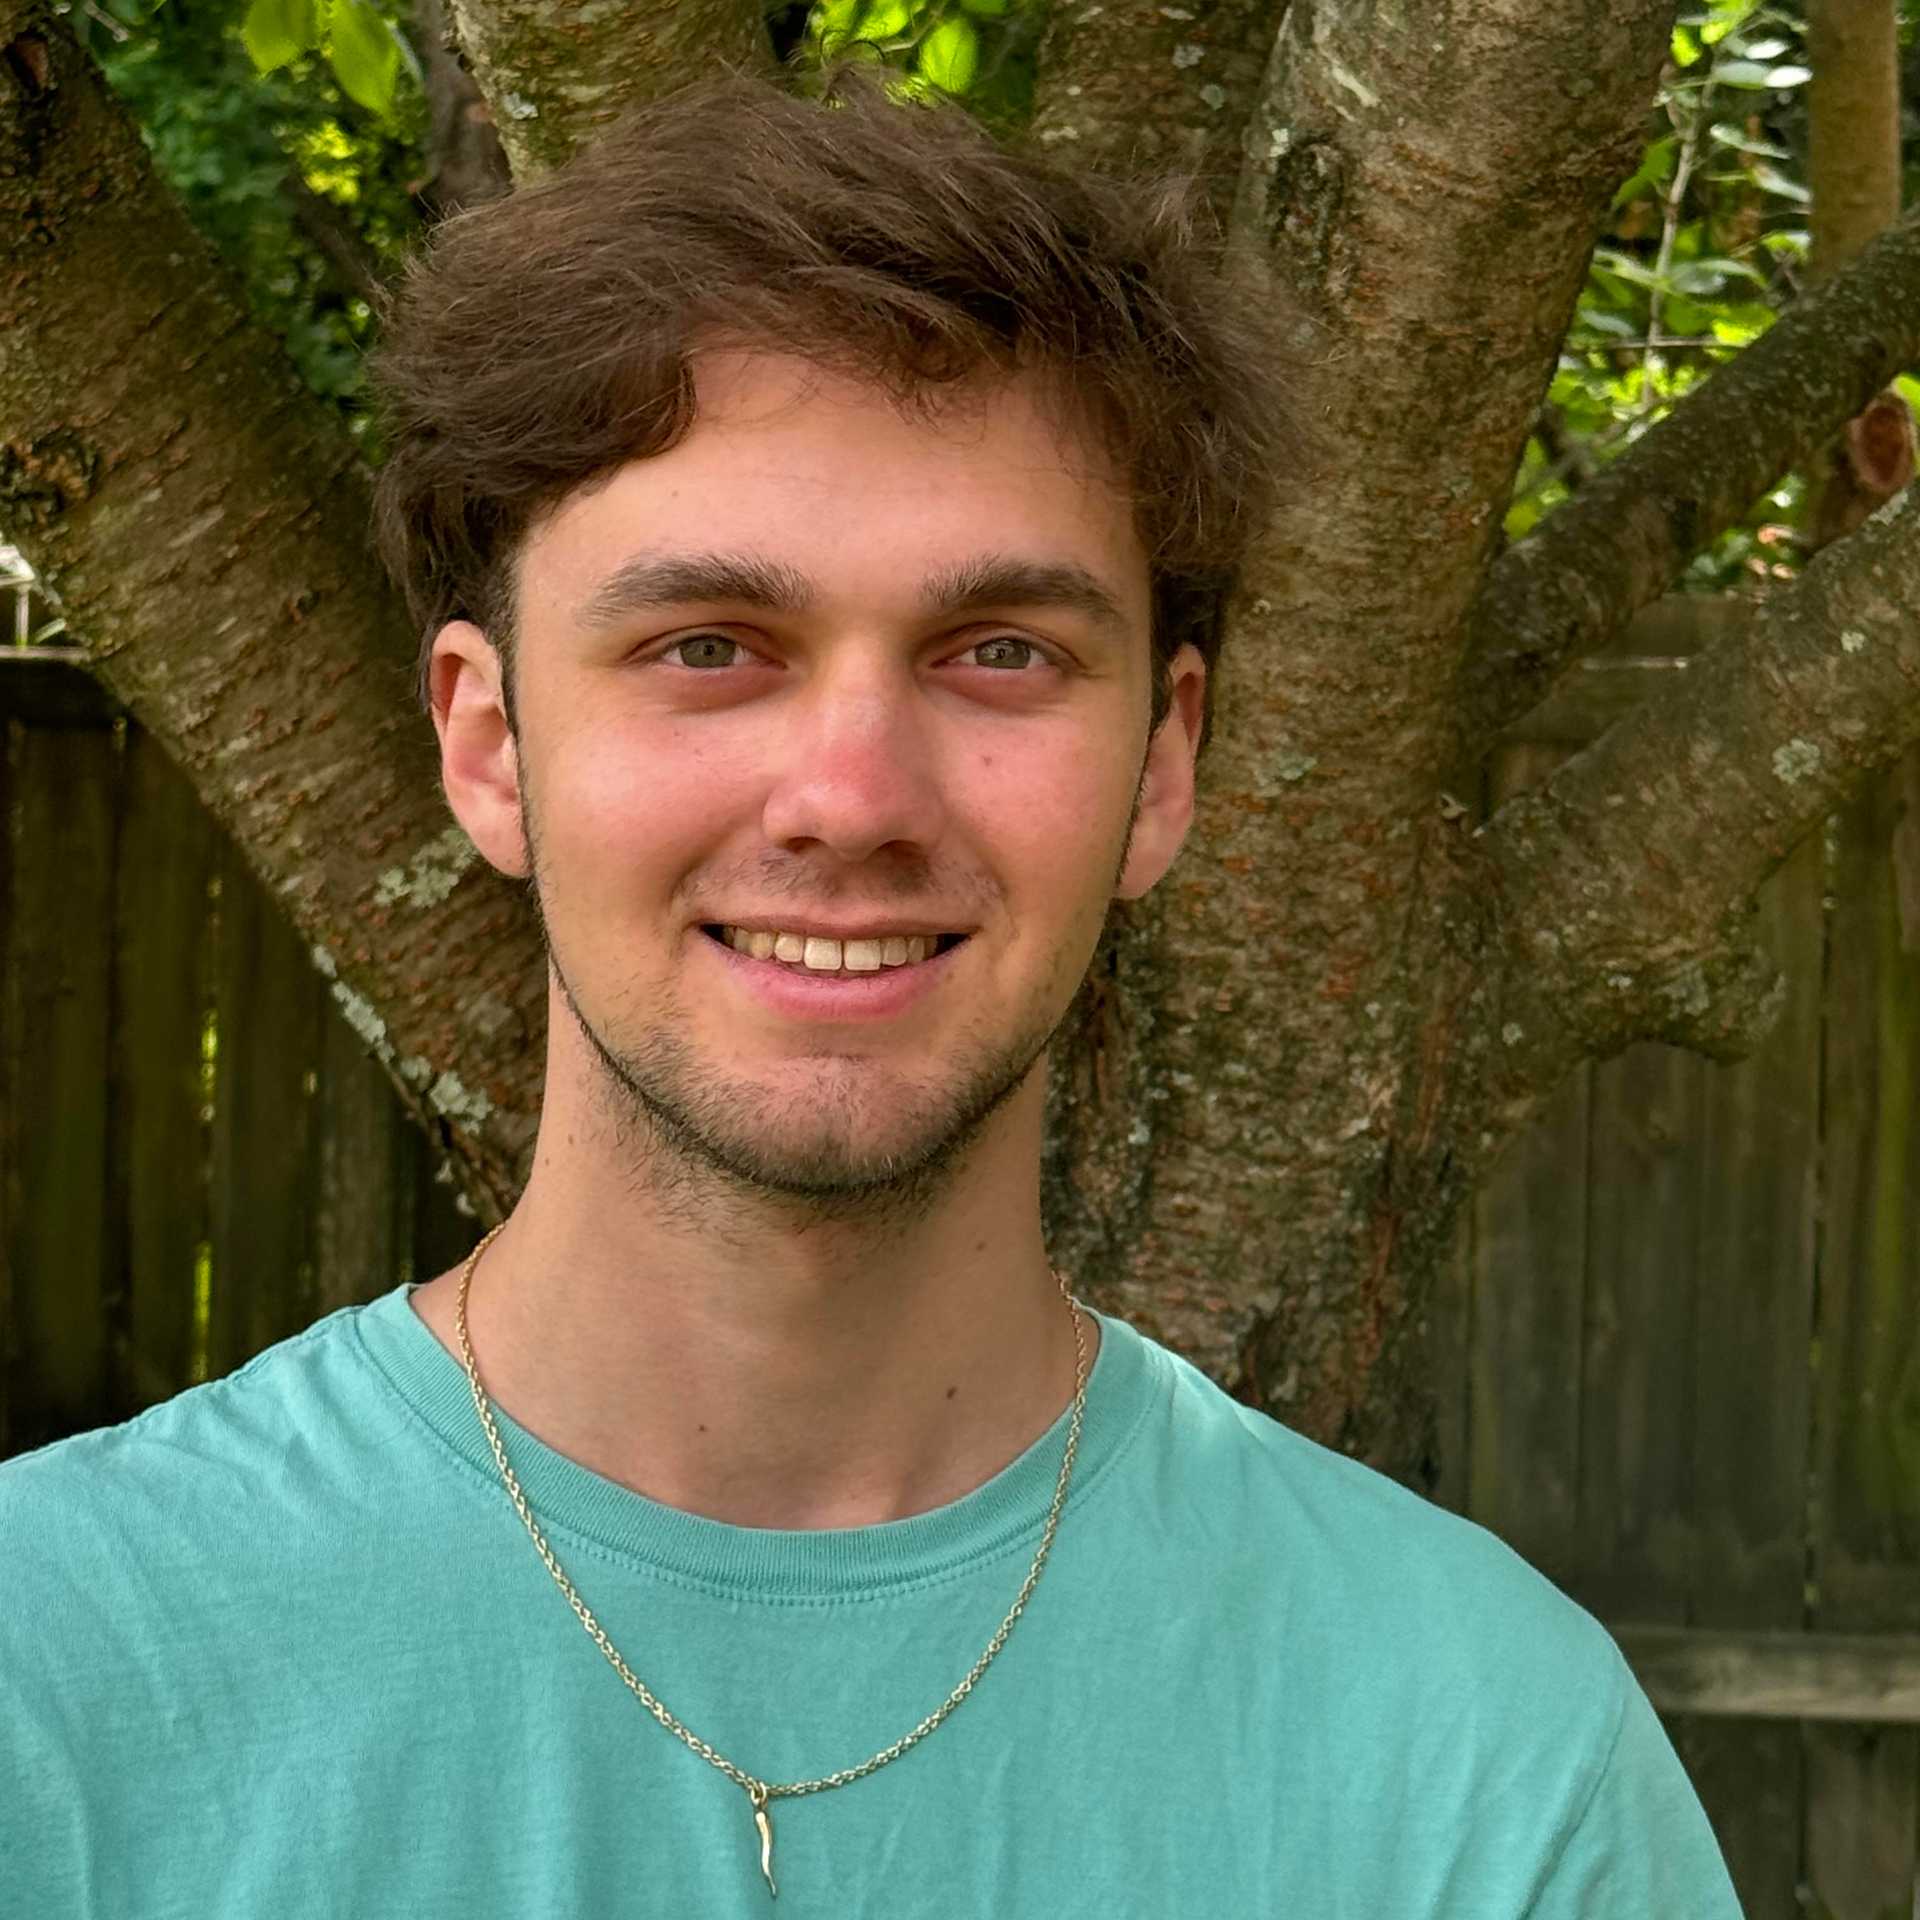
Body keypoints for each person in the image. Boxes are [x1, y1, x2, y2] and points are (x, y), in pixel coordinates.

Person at [1, 68, 1741, 1919]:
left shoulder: (1485, 1759)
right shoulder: (57, 1680)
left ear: (1163, 766)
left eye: (998, 652)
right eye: (707, 648)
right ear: (492, 745)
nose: (852, 799)